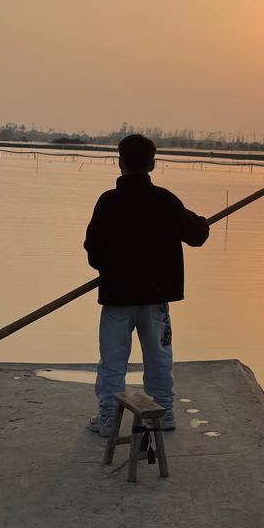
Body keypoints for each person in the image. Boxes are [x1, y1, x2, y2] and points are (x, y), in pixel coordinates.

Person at [83, 134, 210, 436]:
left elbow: (93, 249)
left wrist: (111, 268)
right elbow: (197, 235)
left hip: (117, 298)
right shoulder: (165, 200)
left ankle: (108, 420)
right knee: (159, 357)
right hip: (155, 300)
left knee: (113, 360)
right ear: (152, 164)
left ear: (120, 163)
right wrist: (202, 222)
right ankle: (162, 414)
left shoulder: (108, 202)